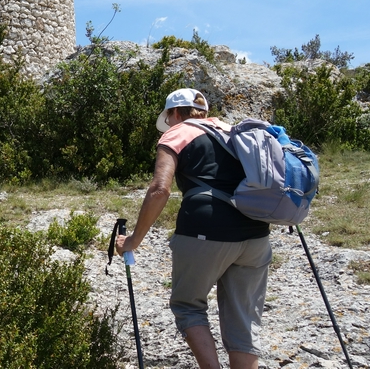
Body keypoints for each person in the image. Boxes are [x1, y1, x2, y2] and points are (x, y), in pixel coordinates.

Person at [116, 88, 270, 369]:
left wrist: (133, 241)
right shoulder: (233, 131)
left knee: (189, 307)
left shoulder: (176, 133)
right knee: (243, 315)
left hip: (205, 230)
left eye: (169, 117)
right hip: (256, 233)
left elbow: (160, 189)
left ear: (174, 113)